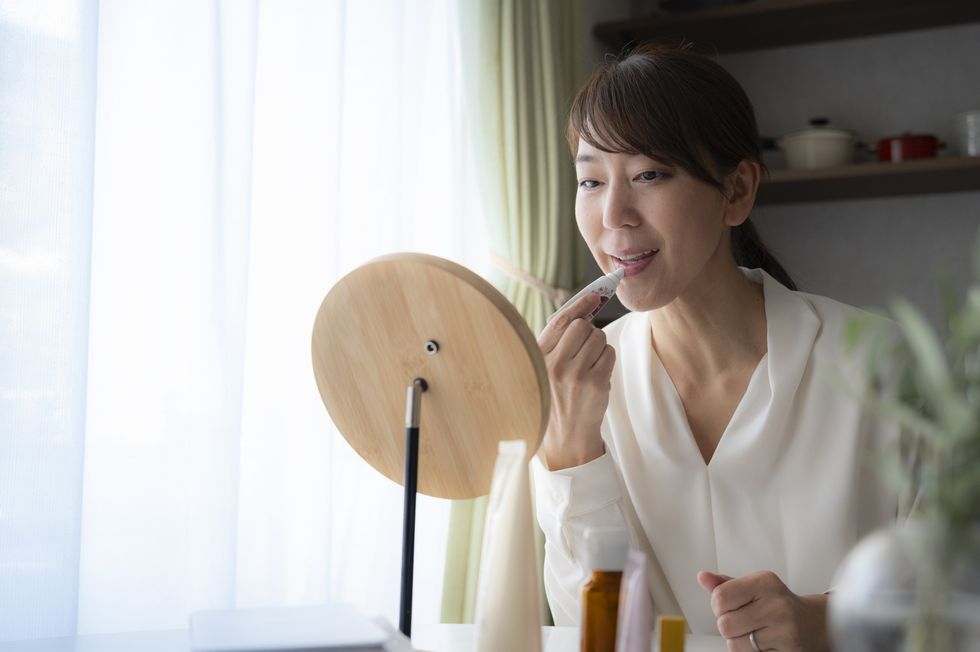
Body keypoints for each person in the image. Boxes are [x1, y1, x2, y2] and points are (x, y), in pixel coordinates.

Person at [531, 43, 898, 652]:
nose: (614, 215)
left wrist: (831, 623)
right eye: (591, 180)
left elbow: (957, 593)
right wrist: (572, 457)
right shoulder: (577, 393)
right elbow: (589, 632)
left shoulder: (882, 365)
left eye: (649, 175)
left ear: (736, 191)